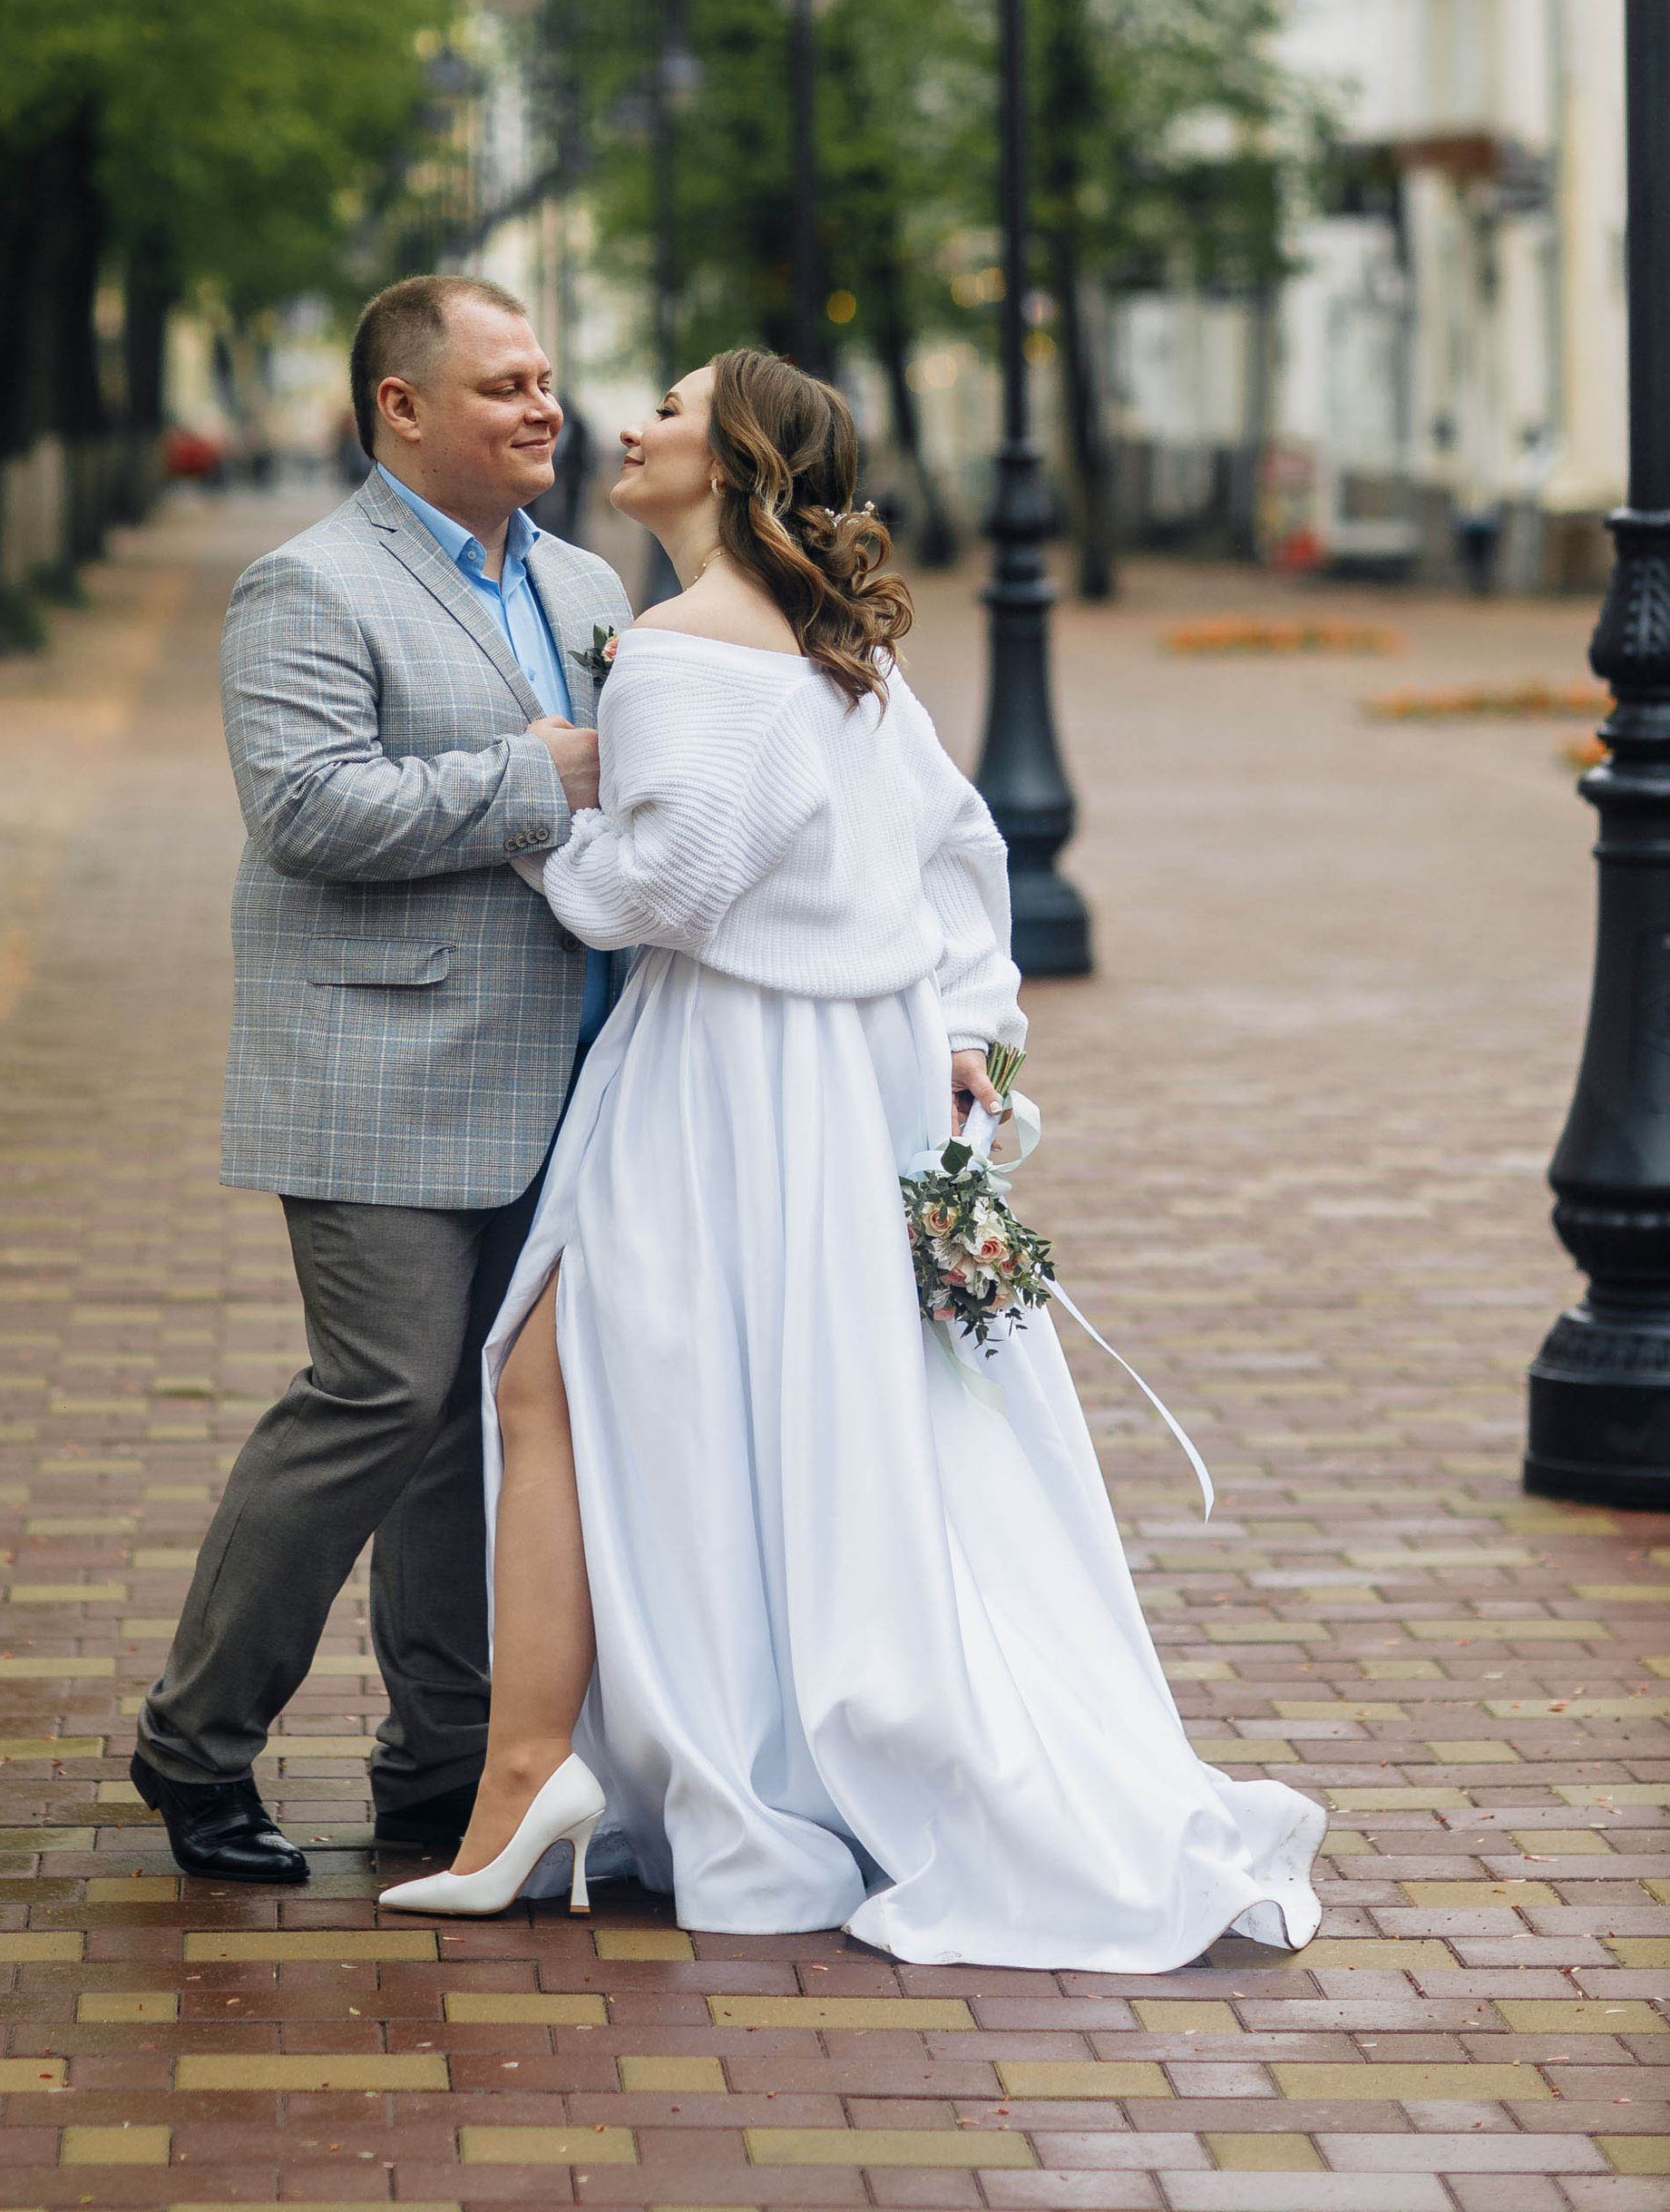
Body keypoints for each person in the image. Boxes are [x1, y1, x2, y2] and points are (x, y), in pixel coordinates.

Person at [379, 349, 1323, 1966]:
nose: (630, 426)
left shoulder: (676, 651)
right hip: (857, 1076)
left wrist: (550, 823)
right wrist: (970, 1027)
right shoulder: (843, 652)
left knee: (605, 1389)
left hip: (728, 1080)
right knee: (796, 1410)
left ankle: (624, 1774)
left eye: (668, 411)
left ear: (731, 459)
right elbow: (964, 852)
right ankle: (586, 1769)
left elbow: (663, 892)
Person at [131, 274, 632, 1884]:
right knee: (380, 1396)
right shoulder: (306, 586)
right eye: (503, 386)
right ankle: (194, 1747)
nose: (543, 407)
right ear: (400, 409)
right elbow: (307, 810)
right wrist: (529, 777)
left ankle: (443, 1768)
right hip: (377, 1066)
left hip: (569, 1070)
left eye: (547, 378)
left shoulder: (583, 583)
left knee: (486, 1430)